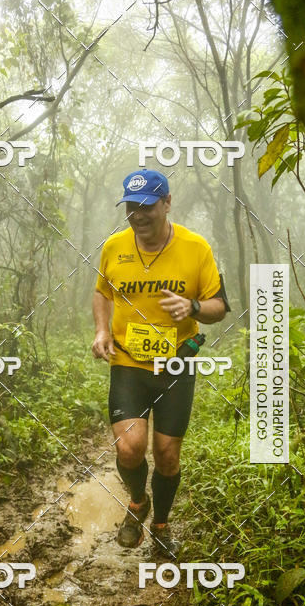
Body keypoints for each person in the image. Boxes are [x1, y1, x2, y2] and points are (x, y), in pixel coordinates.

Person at [92, 169, 230, 557]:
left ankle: (162, 524)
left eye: (146, 206)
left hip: (175, 365)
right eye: (131, 207)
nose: (137, 215)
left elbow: (220, 306)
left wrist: (193, 307)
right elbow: (102, 292)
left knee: (167, 455)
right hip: (129, 363)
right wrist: (102, 331)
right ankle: (138, 502)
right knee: (129, 448)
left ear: (167, 203)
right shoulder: (114, 247)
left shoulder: (196, 248)